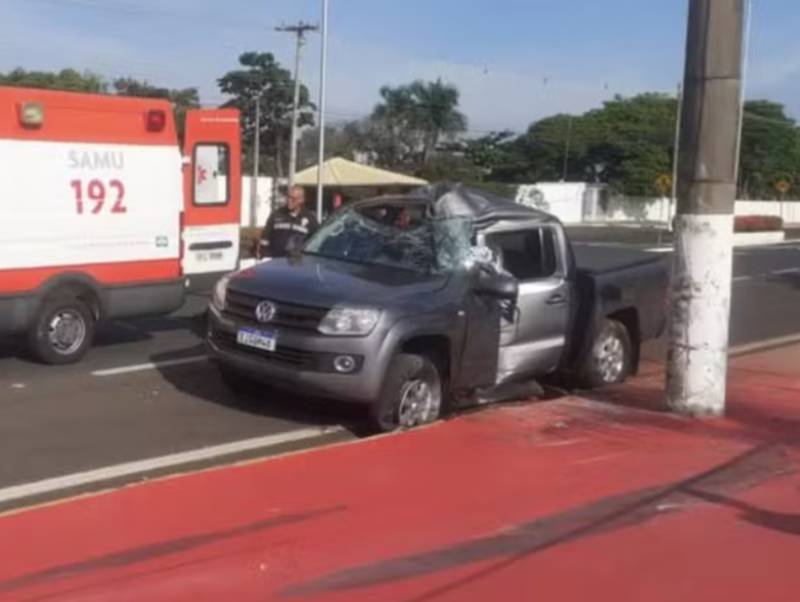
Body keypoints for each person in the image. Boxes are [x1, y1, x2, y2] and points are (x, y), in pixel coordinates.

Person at [258, 186, 319, 258]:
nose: (289, 201)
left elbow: (316, 241)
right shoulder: (277, 214)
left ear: (301, 200)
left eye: (293, 199)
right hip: (276, 260)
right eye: (288, 197)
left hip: (298, 262)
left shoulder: (310, 218)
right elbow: (265, 238)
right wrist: (263, 254)